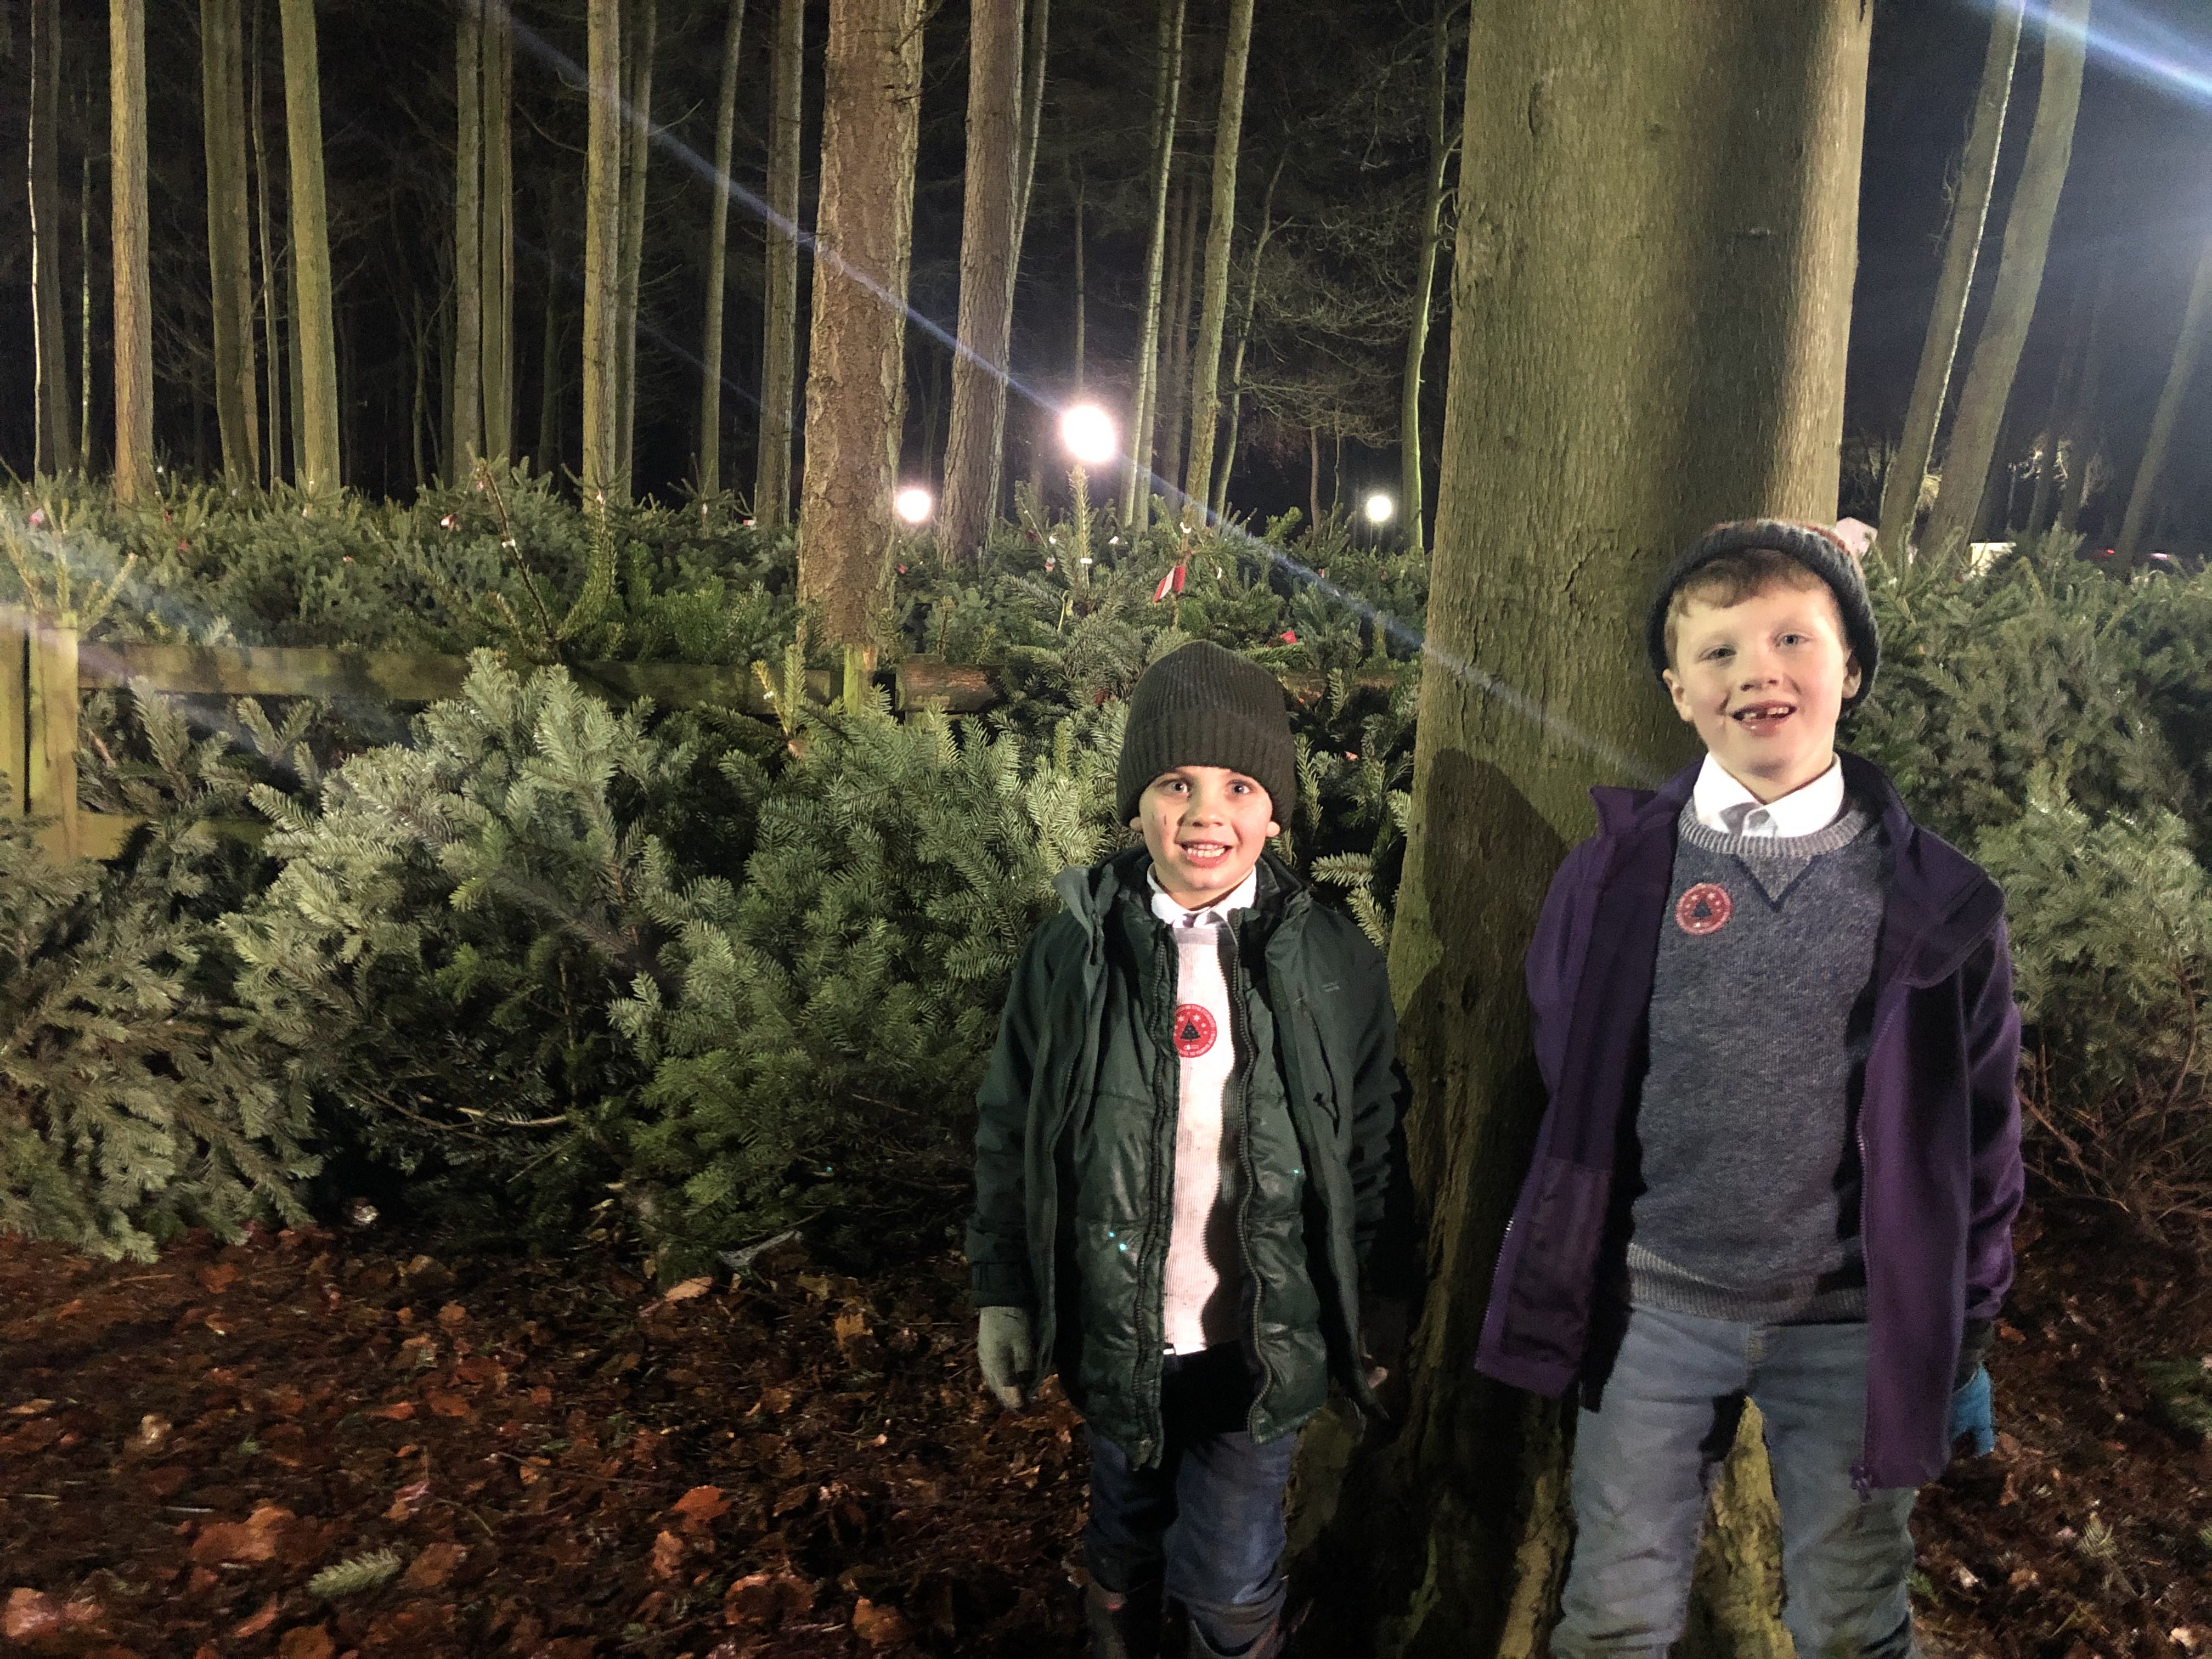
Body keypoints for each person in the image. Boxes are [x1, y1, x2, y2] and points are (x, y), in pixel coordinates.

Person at [1476, 520, 2022, 1657]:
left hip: (1852, 1325)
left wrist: (1964, 1327)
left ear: (1850, 669)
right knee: (1614, 1612)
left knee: (1855, 1618)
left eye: (1792, 640)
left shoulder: (1937, 901)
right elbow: (1568, 1048)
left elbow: (1980, 1138)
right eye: (1719, 651)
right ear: (1679, 693)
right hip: (1655, 1313)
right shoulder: (1617, 873)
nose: (1757, 672)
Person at [967, 640, 1417, 1659]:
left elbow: (1371, 1140)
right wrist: (1004, 1291)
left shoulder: (1334, 962)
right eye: (1176, 782)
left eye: (1239, 787)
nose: (1207, 813)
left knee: (1230, 1575)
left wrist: (1378, 1296)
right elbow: (1011, 1128)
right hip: (1114, 1333)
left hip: (1260, 1349)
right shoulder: (1074, 952)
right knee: (1123, 1536)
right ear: (1138, 804)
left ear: (1275, 813)